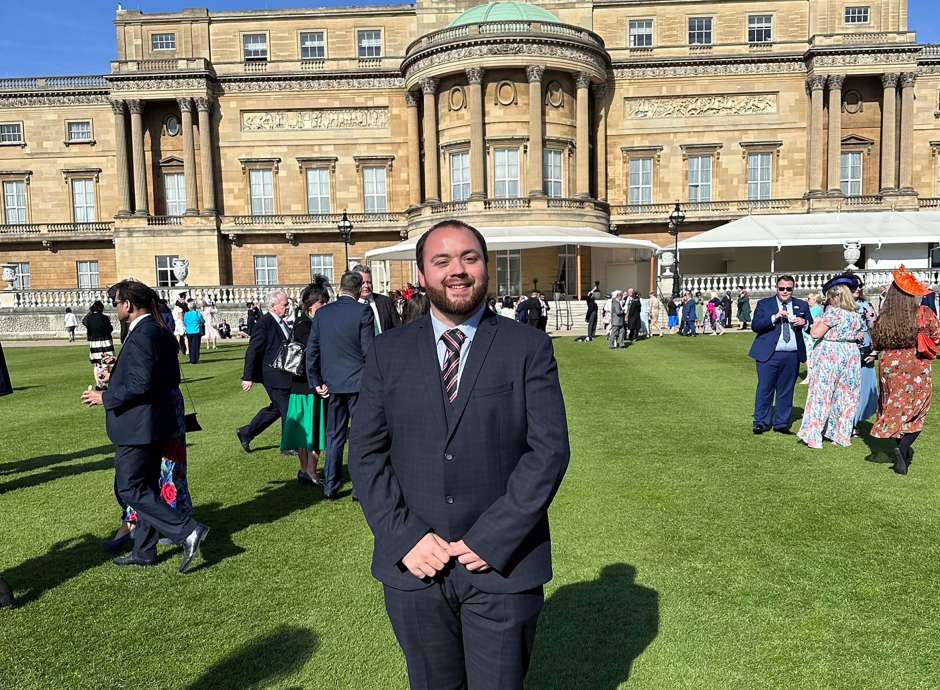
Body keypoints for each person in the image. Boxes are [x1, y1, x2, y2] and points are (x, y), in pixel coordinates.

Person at [349, 219, 569, 690]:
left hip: (502, 565)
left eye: (469, 258)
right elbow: (367, 456)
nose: (458, 271)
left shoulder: (527, 347)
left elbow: (547, 452)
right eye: (442, 260)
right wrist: (406, 537)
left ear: (486, 268)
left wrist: (490, 538)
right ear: (423, 275)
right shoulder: (388, 352)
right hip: (415, 567)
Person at [80, 279, 208, 571]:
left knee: (130, 487)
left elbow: (141, 383)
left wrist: (105, 396)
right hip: (155, 421)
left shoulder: (142, 334)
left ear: (128, 304)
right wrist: (117, 371)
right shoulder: (159, 330)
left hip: (138, 424)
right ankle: (145, 550)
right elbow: (154, 375)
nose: (115, 307)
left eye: (117, 302)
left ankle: (186, 530)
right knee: (147, 484)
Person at [306, 271, 374, 500]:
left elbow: (312, 351)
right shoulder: (363, 311)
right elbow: (369, 350)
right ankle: (357, 486)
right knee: (359, 436)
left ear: (340, 288)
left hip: (332, 383)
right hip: (358, 383)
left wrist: (316, 381)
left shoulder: (323, 314)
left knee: (334, 436)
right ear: (357, 289)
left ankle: (331, 485)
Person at [870, 266, 940, 475]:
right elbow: (937, 337)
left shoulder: (885, 316)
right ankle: (902, 448)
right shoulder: (923, 314)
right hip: (916, 363)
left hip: (889, 363)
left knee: (893, 407)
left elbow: (877, 340)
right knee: (918, 410)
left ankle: (901, 448)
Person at [797, 277, 864, 449]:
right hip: (850, 354)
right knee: (846, 396)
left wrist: (816, 324)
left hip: (830, 353)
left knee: (821, 394)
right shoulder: (856, 314)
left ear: (834, 297)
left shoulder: (834, 312)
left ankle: (813, 435)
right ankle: (840, 435)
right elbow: (859, 335)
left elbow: (816, 334)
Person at [281, 278, 330, 486]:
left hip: (300, 385)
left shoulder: (301, 323)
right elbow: (315, 356)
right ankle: (310, 470)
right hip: (311, 385)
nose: (326, 307)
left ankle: (305, 469)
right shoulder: (309, 326)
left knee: (304, 431)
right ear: (312, 306)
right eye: (322, 303)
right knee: (314, 430)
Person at [749, 275, 813, 434]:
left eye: (788, 289)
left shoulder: (801, 305)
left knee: (786, 389)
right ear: (777, 288)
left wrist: (804, 323)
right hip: (769, 354)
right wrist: (774, 317)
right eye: (782, 288)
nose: (785, 291)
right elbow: (756, 325)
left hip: (791, 354)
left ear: (793, 289)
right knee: (765, 388)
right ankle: (761, 422)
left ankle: (781, 423)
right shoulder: (765, 304)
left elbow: (812, 327)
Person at [236, 290, 294, 453]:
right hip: (273, 375)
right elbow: (252, 350)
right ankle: (288, 445)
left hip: (284, 373)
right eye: (285, 304)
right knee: (287, 408)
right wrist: (248, 377)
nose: (288, 307)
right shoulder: (264, 323)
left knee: (276, 409)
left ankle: (246, 432)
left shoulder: (280, 322)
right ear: (273, 306)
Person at [853, 284, 879, 430]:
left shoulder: (866, 305)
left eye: (859, 286)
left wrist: (875, 350)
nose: (857, 289)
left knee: (862, 385)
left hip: (864, 346)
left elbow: (875, 328)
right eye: (853, 286)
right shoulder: (838, 305)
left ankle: (855, 421)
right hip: (845, 346)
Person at [353, 264, 401, 334]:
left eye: (369, 282)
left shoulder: (386, 302)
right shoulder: (351, 306)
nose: (366, 286)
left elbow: (398, 328)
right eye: (362, 283)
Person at [82, 300, 114, 383]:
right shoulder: (104, 317)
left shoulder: (89, 318)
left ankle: (98, 383)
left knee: (97, 364)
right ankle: (107, 382)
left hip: (94, 342)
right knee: (108, 363)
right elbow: (110, 329)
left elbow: (84, 321)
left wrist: (90, 312)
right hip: (106, 341)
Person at [183, 300, 205, 365]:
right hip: (196, 331)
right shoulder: (197, 313)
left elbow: (185, 322)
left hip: (189, 332)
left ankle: (191, 359)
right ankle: (195, 359)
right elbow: (202, 321)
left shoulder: (186, 314)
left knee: (190, 346)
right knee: (196, 347)